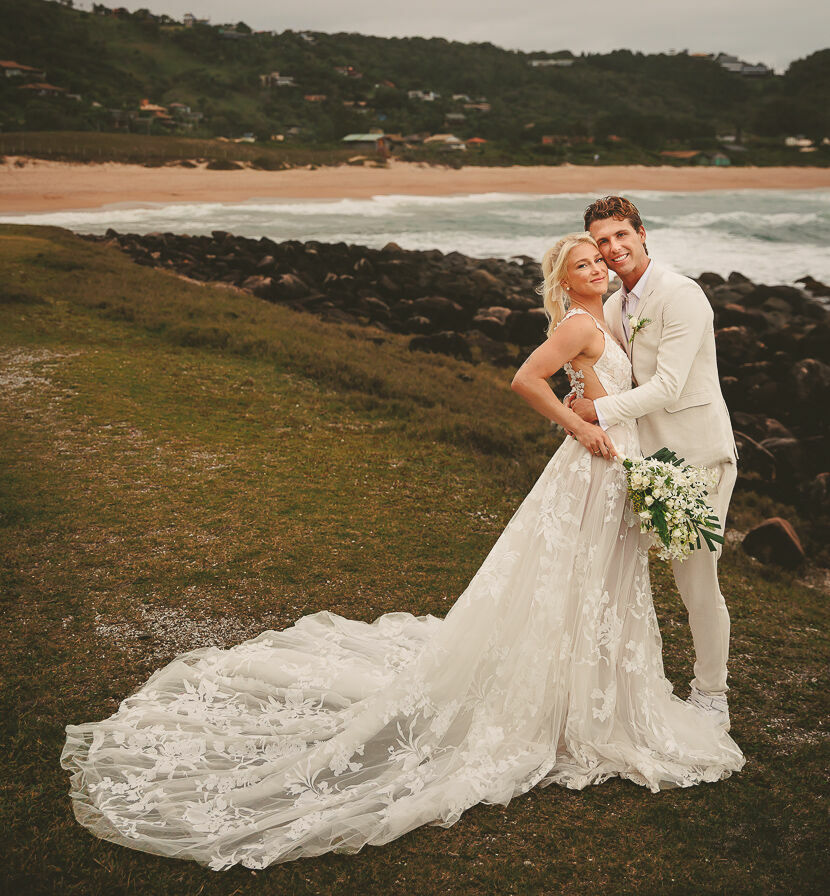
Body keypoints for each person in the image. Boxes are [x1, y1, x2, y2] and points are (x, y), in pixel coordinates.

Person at [61, 234, 743, 872]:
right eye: (583, 265)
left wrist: (598, 413)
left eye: (601, 259)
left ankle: (587, 698)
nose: (598, 267)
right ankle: (568, 705)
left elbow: (605, 386)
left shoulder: (610, 318)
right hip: (592, 462)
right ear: (563, 283)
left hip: (612, 462)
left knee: (596, 585)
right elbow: (523, 382)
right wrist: (580, 426)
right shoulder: (579, 324)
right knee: (579, 582)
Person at [570, 196, 738, 729]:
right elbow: (620, 372)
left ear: (643, 234)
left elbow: (667, 386)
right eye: (602, 241)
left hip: (697, 457)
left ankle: (712, 692)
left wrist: (597, 410)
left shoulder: (681, 295)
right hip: (644, 459)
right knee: (616, 571)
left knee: (696, 582)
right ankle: (609, 682)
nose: (613, 248)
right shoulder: (617, 306)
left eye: (621, 235)